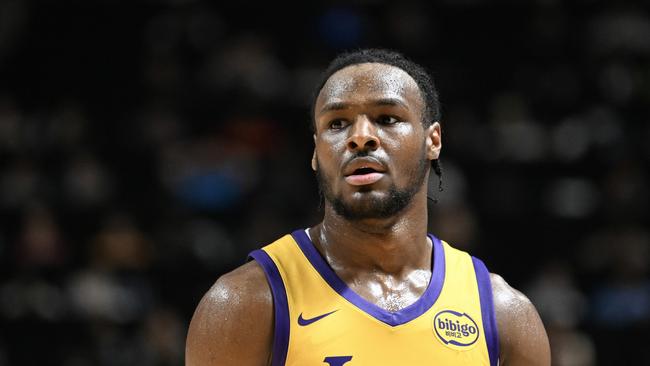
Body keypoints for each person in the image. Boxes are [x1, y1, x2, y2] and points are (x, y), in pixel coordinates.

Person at [185, 48, 551, 366]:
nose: (360, 137)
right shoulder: (245, 302)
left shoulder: (504, 313)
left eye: (387, 118)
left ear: (433, 140)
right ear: (316, 150)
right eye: (338, 123)